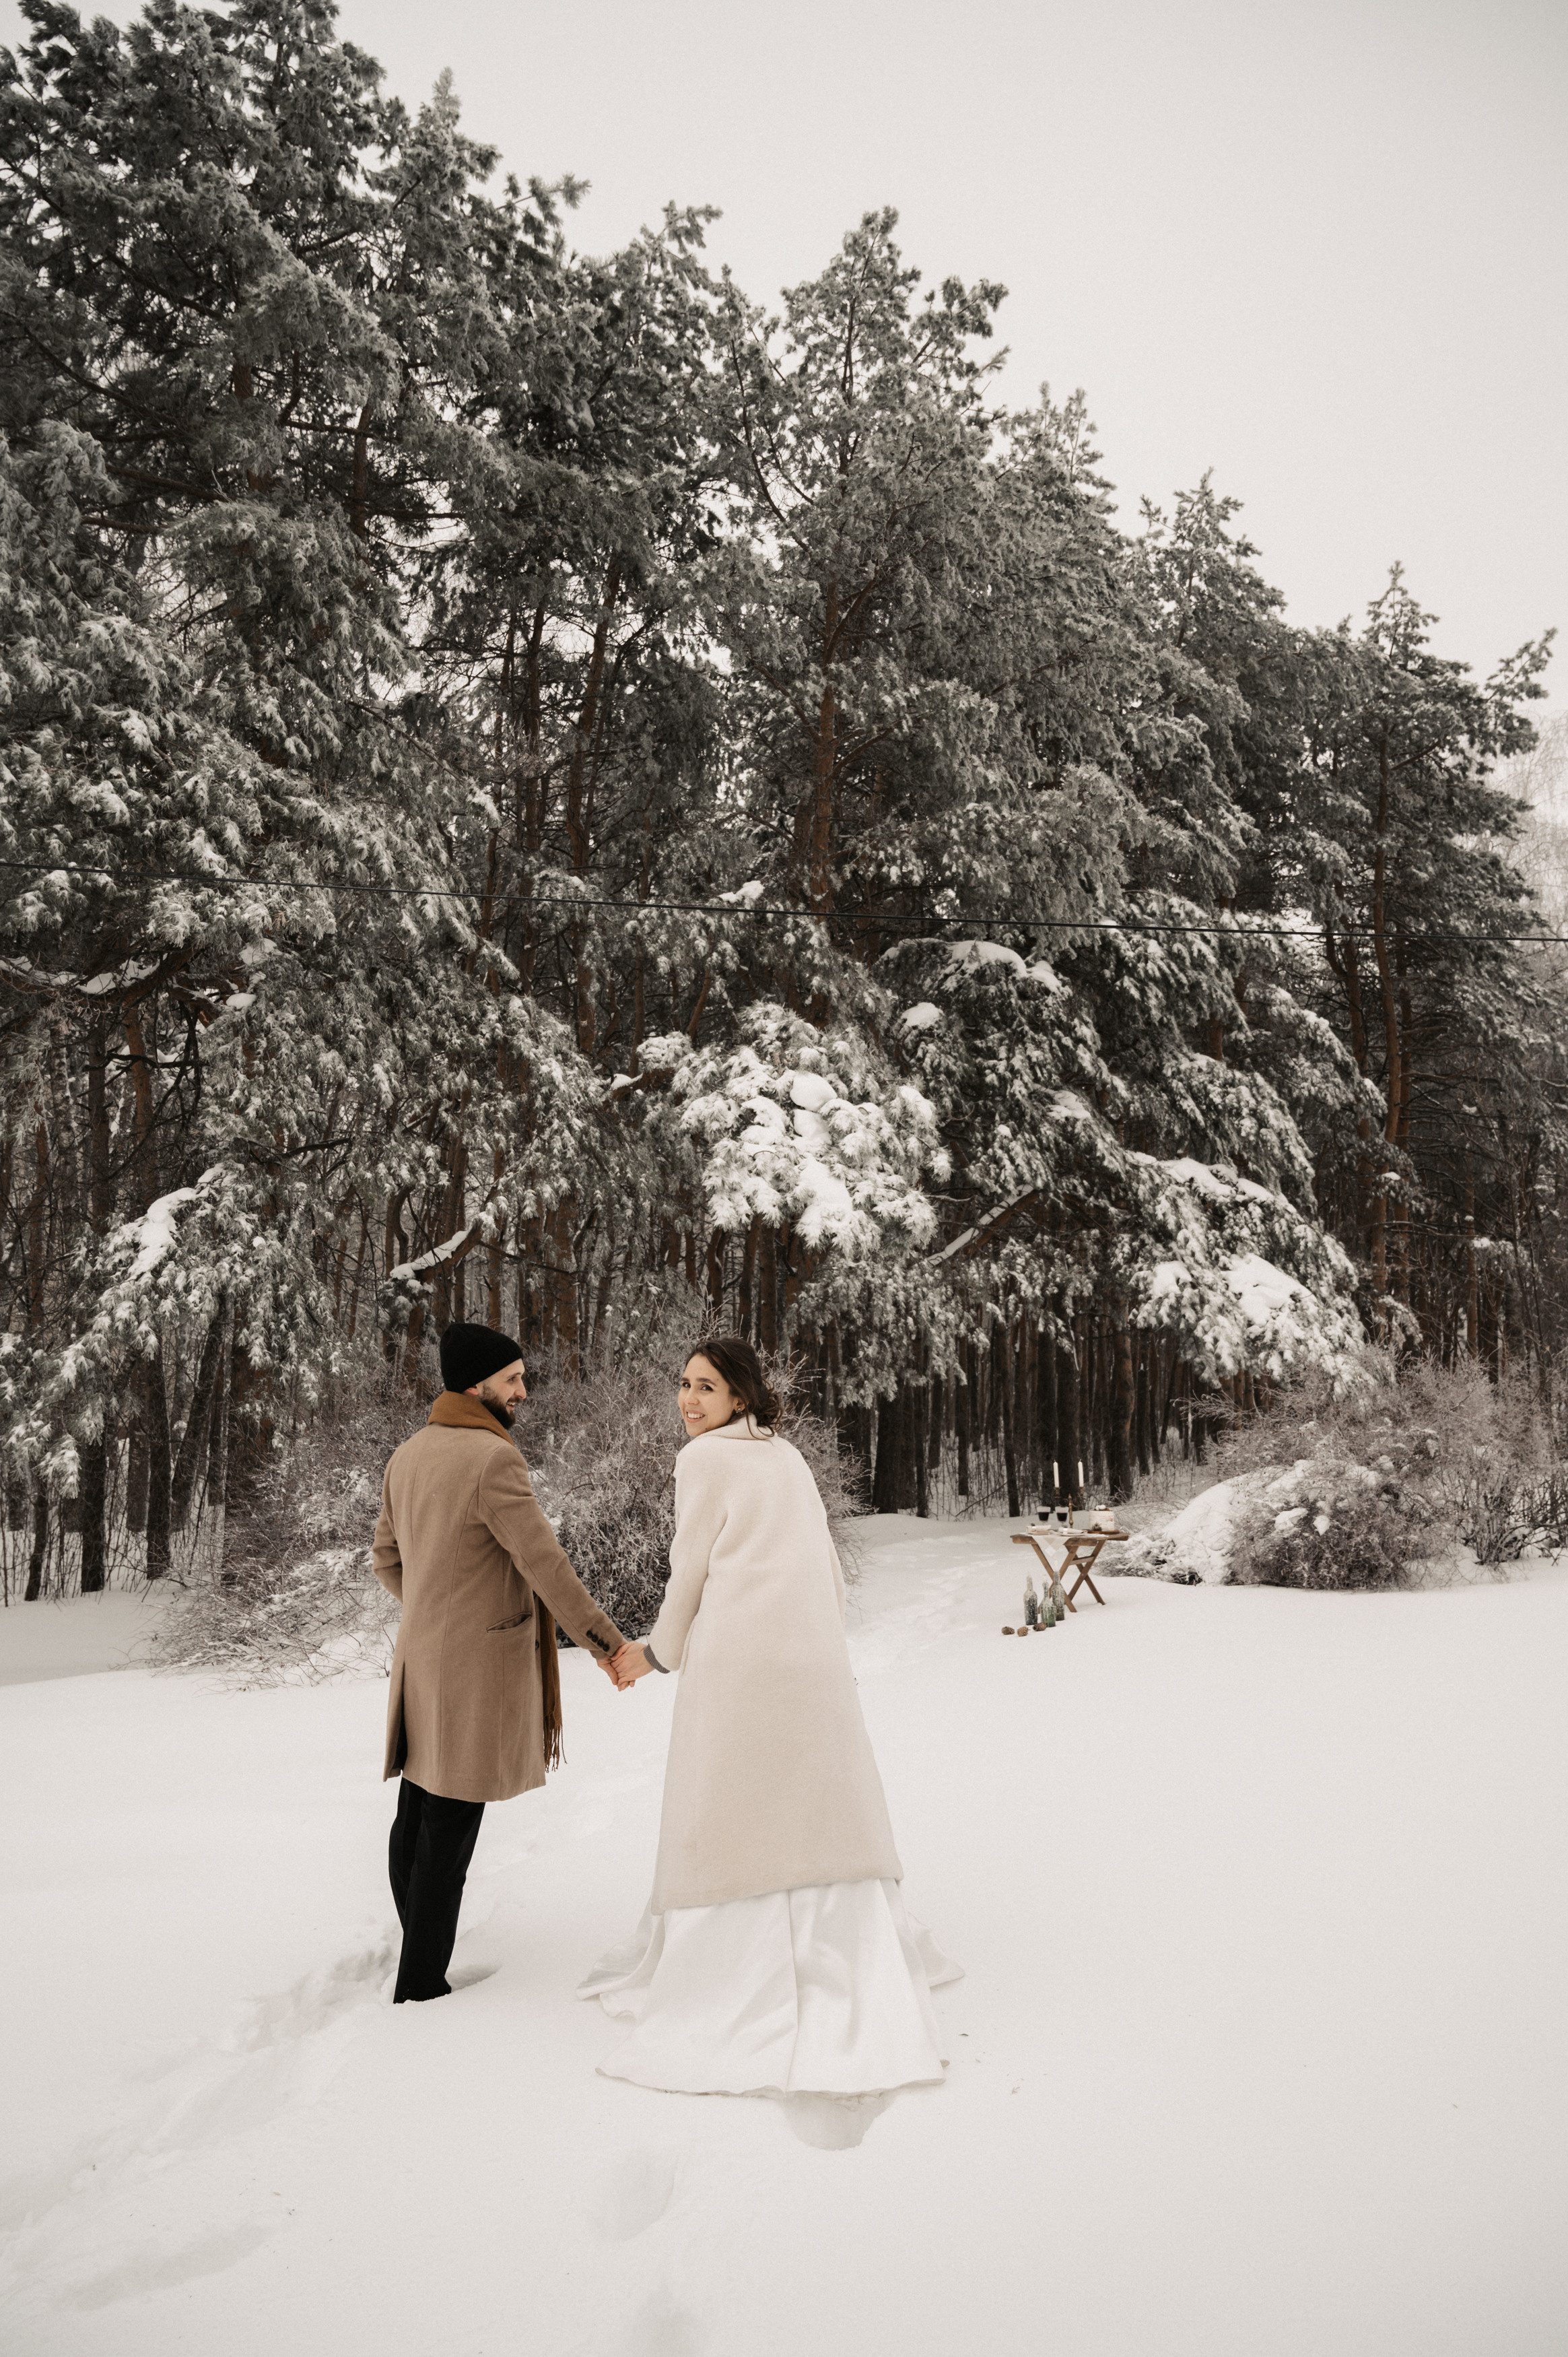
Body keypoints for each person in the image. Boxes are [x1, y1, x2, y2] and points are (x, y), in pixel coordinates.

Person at [580, 1337, 959, 2095]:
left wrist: (654, 1653)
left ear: (741, 1396)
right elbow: (824, 1565)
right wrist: (816, 1637)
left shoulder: (703, 1460)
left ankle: (728, 1968)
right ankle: (843, 1953)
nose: (689, 1400)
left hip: (735, 1660)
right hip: (807, 1656)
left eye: (707, 1387)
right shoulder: (784, 1456)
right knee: (815, 1803)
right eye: (683, 1384)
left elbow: (689, 1570)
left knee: (726, 1804)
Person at [372, 1322, 627, 2003]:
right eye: (512, 1378)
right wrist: (606, 1642)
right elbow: (545, 1565)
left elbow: (385, 1561)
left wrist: (436, 1608)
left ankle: (417, 1945)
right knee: (450, 1826)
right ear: (474, 1384)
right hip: (471, 1672)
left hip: (423, 1659)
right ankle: (421, 1985)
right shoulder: (492, 1459)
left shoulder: (407, 1454)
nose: (523, 1389)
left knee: (418, 1808)